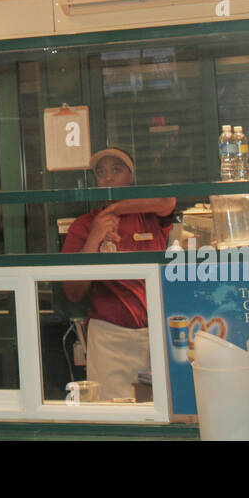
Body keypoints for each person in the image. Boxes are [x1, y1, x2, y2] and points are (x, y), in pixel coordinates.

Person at [61, 147, 175, 401]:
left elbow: (168, 201)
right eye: (101, 173)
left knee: (161, 410)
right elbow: (73, 291)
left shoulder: (148, 215)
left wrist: (115, 210)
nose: (108, 178)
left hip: (156, 332)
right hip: (109, 338)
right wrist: (95, 236)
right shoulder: (84, 225)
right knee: (114, 416)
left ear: (131, 177)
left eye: (117, 170)